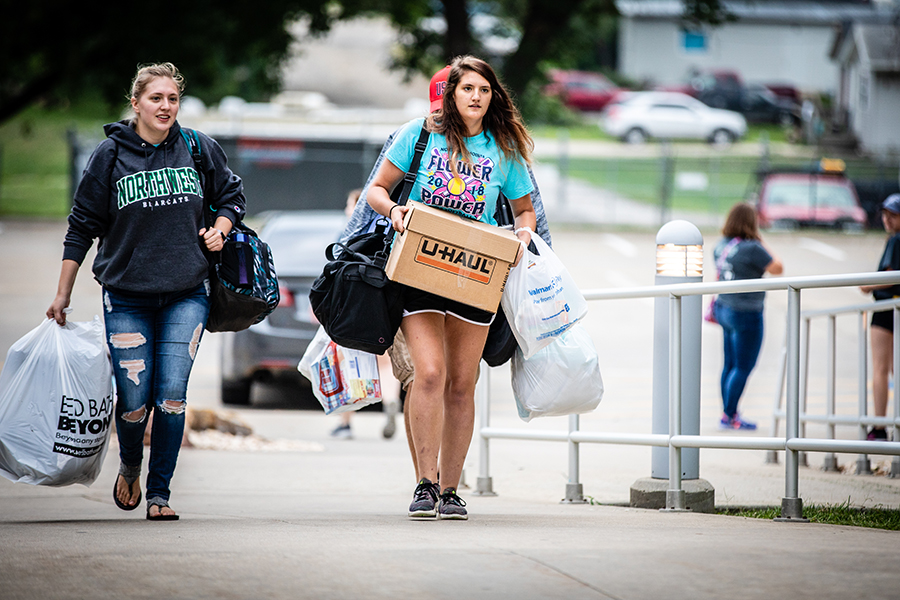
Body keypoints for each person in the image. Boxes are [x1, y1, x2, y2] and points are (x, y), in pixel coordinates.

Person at [46, 63, 246, 521]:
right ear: (135, 103)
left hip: (187, 293)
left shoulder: (198, 148)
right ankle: (131, 465)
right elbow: (81, 228)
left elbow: (233, 196)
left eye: (172, 99)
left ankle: (160, 494)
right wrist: (63, 293)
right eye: (156, 98)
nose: (165, 107)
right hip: (127, 295)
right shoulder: (109, 156)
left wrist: (220, 227)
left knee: (171, 396)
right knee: (134, 401)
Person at [342, 64, 553, 486]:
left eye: (485, 89)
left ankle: (451, 489)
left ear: (494, 97)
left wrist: (523, 235)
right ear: (451, 94)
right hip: (418, 270)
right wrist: (395, 210)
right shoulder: (418, 135)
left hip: (476, 278)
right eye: (468, 88)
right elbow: (377, 190)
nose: (476, 96)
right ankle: (424, 483)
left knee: (462, 383)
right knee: (430, 374)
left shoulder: (504, 149)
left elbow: (524, 209)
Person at [330, 189, 402, 440]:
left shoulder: (351, 230)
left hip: (357, 301)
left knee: (352, 361)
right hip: (386, 298)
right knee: (385, 362)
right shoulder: (387, 227)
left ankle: (346, 421)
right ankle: (391, 401)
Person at [714, 203, 783, 431]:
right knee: (743, 366)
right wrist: (761, 241)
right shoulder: (753, 247)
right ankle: (730, 414)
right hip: (746, 312)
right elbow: (777, 268)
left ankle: (727, 411)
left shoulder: (722, 245)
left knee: (730, 364)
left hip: (724, 307)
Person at [860, 193, 900, 441]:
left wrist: (867, 285)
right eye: (885, 214)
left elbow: (888, 274)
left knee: (881, 368)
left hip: (887, 306)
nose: (887, 219)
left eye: (893, 215)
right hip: (891, 306)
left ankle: (879, 425)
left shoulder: (895, 241)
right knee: (891, 368)